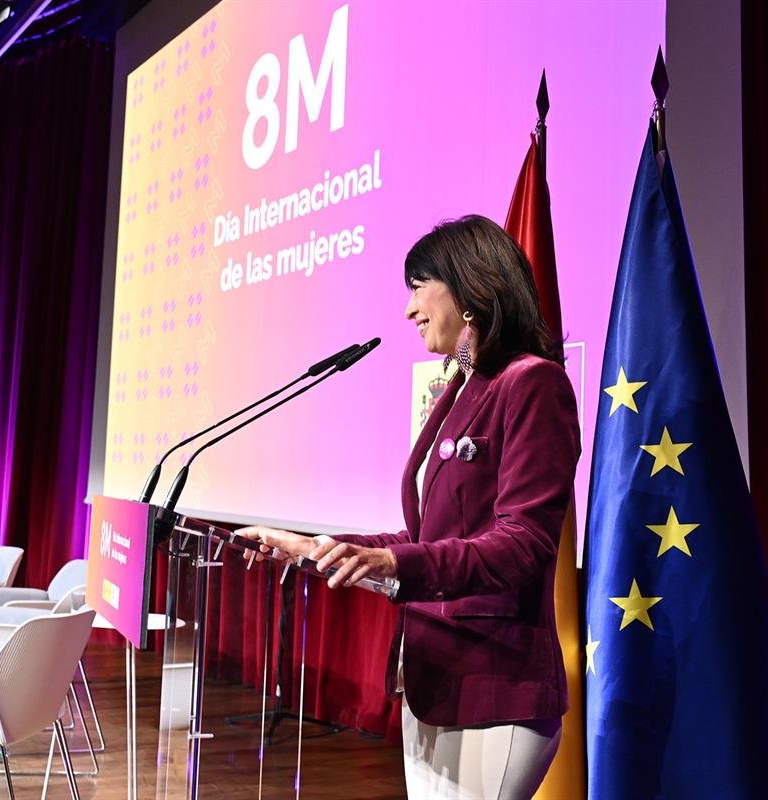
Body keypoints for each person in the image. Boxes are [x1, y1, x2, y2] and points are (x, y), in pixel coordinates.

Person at [239, 215, 580, 799]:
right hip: (431, 676)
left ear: (471, 289)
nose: (408, 309)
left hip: (496, 682)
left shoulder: (533, 383)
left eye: (419, 285)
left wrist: (397, 567)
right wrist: (313, 548)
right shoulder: (459, 390)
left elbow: (523, 543)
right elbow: (425, 535)